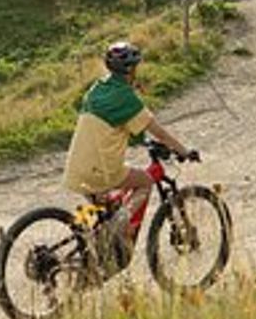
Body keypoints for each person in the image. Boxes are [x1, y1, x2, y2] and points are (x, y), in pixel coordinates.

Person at [62, 41, 196, 257]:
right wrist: (183, 151)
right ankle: (116, 230)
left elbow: (111, 126)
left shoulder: (97, 88)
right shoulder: (127, 98)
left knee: (104, 210)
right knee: (145, 182)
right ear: (131, 69)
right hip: (101, 170)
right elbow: (159, 133)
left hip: (76, 167)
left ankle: (90, 262)